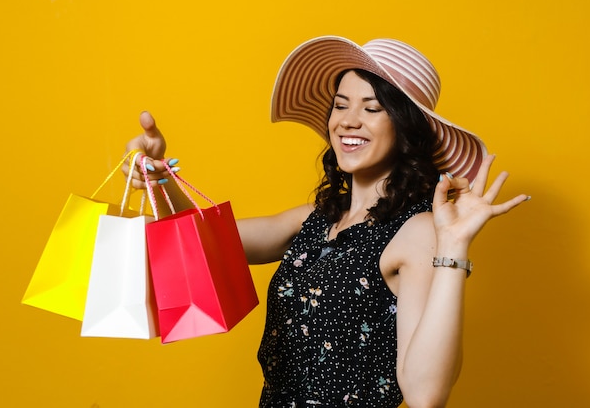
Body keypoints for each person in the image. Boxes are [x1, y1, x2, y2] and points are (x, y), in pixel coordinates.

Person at [122, 36, 529, 408]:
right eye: (341, 104)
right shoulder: (314, 220)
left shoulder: (417, 231)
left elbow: (425, 394)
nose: (348, 120)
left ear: (406, 128)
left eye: (372, 108)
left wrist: (454, 246)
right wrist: (158, 179)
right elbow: (200, 242)